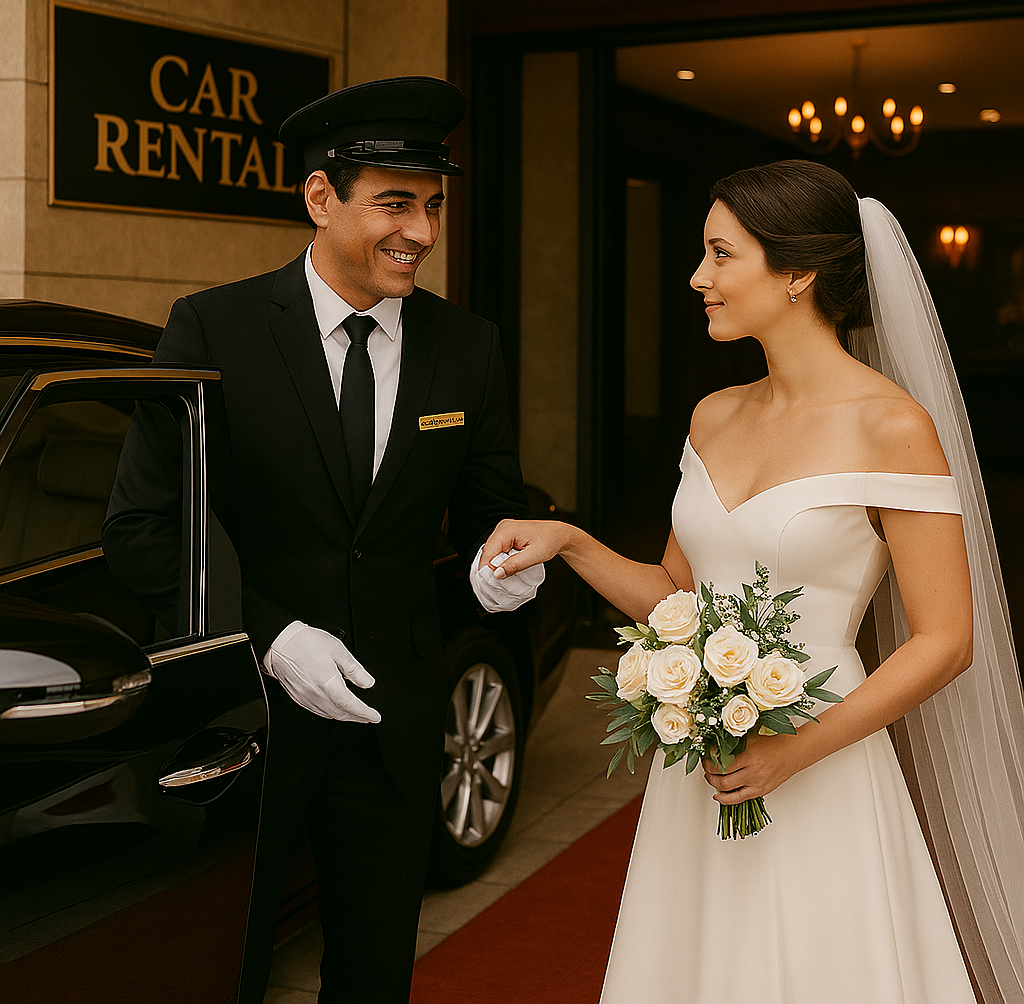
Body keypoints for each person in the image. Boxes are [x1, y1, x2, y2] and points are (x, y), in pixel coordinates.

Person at [479, 159, 1024, 1003]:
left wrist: (793, 750)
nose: (699, 277)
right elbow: (677, 596)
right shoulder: (714, 415)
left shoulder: (893, 427)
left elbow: (947, 642)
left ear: (799, 273)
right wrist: (572, 543)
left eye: (721, 255)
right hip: (707, 760)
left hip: (822, 750)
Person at [102, 76, 543, 1004]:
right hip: (240, 729)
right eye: (394, 203)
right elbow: (142, 532)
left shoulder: (469, 346)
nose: (421, 232)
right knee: (226, 966)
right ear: (319, 198)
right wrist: (271, 635)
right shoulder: (213, 328)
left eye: (432, 206)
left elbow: (489, 519)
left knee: (374, 972)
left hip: (394, 719)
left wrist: (500, 573)